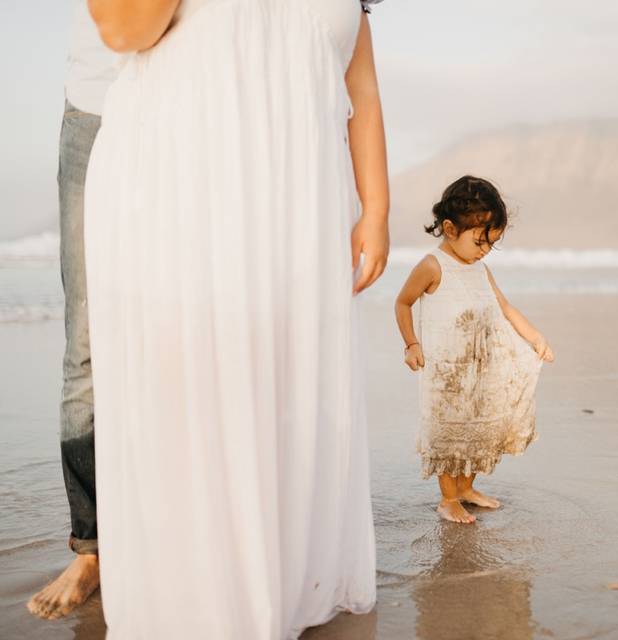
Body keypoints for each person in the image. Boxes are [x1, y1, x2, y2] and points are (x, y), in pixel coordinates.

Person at [81, 0, 389, 636]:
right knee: (196, 394)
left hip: (298, 200)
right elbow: (122, 30)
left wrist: (376, 206)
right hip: (181, 191)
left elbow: (358, 82)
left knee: (290, 388)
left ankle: (284, 583)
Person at [26, 1, 119, 620]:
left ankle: (173, 528)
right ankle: (90, 547)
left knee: (186, 334)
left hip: (191, 113)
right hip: (97, 107)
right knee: (86, 343)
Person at [394, 176, 554, 524]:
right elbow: (403, 302)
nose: (484, 250)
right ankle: (448, 498)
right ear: (450, 229)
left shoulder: (481, 269)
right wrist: (411, 344)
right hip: (446, 374)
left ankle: (465, 488)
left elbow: (506, 308)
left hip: (480, 369)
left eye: (491, 244)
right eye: (480, 241)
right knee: (449, 433)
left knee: (477, 431)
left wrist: (535, 337)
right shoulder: (432, 266)